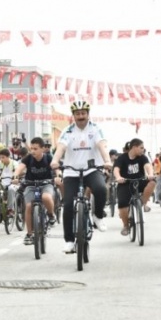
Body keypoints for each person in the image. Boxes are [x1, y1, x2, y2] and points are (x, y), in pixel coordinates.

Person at [50, 100, 113, 254]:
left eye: (83, 113)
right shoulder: (68, 131)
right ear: (73, 116)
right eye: (77, 114)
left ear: (88, 114)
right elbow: (61, 148)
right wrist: (55, 160)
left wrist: (107, 161)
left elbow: (102, 146)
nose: (80, 116)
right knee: (68, 206)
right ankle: (70, 241)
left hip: (91, 169)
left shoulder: (95, 129)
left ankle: (98, 216)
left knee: (100, 189)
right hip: (71, 172)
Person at [12, 137, 59, 245]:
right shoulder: (28, 158)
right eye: (31, 148)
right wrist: (15, 176)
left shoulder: (48, 158)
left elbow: (57, 169)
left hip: (46, 184)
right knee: (28, 206)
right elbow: (19, 168)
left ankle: (51, 215)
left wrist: (58, 176)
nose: (32, 151)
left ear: (42, 149)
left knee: (46, 197)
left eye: (36, 149)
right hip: (30, 185)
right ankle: (29, 234)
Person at [114, 139, 156, 235]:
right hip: (125, 183)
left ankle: (142, 203)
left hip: (139, 181)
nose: (143, 150)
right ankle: (126, 226)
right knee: (123, 204)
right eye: (141, 148)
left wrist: (150, 174)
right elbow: (116, 169)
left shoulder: (142, 157)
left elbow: (148, 166)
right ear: (134, 147)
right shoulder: (122, 158)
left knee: (152, 182)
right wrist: (118, 177)